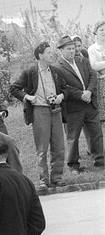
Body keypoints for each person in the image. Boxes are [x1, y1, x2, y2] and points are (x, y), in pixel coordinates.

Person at [9, 41, 66, 190]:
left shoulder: (56, 71)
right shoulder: (30, 72)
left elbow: (66, 89)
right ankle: (43, 180)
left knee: (59, 146)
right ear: (40, 55)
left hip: (56, 110)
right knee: (42, 148)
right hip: (39, 111)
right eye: (48, 52)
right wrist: (28, 97)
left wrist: (61, 95)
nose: (51, 54)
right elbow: (13, 88)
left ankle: (57, 178)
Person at [56, 35, 104, 173]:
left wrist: (88, 91)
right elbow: (63, 86)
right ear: (61, 50)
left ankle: (100, 160)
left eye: (73, 48)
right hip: (73, 107)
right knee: (73, 137)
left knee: (96, 132)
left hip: (89, 104)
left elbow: (93, 76)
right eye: (69, 49)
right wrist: (81, 95)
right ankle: (73, 165)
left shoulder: (82, 60)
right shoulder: (57, 67)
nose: (72, 51)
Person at [88, 20, 105, 122]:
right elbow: (94, 66)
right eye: (101, 30)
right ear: (96, 32)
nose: (104, 32)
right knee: (102, 114)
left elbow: (99, 65)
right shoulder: (92, 49)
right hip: (100, 83)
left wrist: (101, 65)